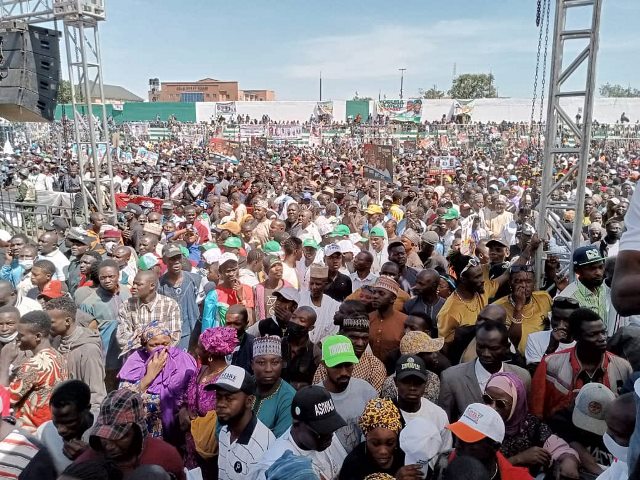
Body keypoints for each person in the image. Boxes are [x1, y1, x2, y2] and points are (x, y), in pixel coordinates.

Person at [530, 308, 631, 420]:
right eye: (593, 334)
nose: (602, 338)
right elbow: (536, 413)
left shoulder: (623, 368)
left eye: (603, 332)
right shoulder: (550, 364)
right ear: (576, 337)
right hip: (562, 435)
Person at [482, 372, 580, 478]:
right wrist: (518, 459)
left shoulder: (531, 425)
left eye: (501, 404)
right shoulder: (476, 424)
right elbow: (477, 469)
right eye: (487, 399)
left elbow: (560, 449)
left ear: (516, 404)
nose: (492, 408)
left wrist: (569, 460)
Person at [74, 389, 185, 480]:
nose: (109, 446)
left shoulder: (166, 457)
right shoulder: (88, 462)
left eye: (119, 436)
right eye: (104, 436)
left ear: (138, 431)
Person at [118, 321, 197, 443]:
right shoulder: (135, 362)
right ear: (144, 345)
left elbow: (193, 389)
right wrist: (150, 375)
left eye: (165, 344)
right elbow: (123, 399)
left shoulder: (182, 360)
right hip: (146, 430)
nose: (160, 349)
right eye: (154, 345)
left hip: (177, 428)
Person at [439, 319, 531, 422]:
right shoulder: (451, 378)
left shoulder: (522, 377)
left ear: (506, 348)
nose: (486, 353)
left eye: (493, 348)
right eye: (481, 347)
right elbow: (445, 423)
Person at [253, 385, 347, 480]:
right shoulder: (278, 468)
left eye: (331, 428)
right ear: (296, 423)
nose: (329, 436)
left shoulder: (324, 439)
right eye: (321, 431)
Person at [180, 326, 237, 474]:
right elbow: (186, 398)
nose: (196, 351)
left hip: (213, 448)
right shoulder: (200, 371)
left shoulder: (228, 378)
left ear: (210, 354)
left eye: (199, 348)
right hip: (192, 444)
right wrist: (184, 411)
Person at [210, 365, 276, 479]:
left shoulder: (264, 445)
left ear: (249, 401)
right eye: (218, 397)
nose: (220, 404)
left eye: (229, 398)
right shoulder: (224, 432)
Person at [9, 311, 68, 432]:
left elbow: (6, 400)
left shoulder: (33, 366)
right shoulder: (59, 356)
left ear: (38, 336)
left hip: (30, 432)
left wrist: (4, 364)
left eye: (21, 335)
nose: (17, 339)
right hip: (50, 427)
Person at [317, 334, 377, 453]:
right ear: (324, 364)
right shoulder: (315, 397)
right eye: (337, 366)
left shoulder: (367, 391)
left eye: (348, 365)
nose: (344, 372)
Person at [79, 259, 132, 391]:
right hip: (107, 358)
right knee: (109, 390)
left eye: (111, 276)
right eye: (103, 277)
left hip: (129, 355)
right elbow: (87, 335)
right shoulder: (90, 303)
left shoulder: (128, 293)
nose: (107, 280)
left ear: (118, 275)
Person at [45, 297, 106, 412]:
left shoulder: (88, 350)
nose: (47, 326)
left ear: (67, 321)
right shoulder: (57, 341)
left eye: (51, 322)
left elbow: (96, 394)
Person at [339, 397, 422, 480]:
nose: (383, 451)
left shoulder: (408, 457)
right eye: (375, 444)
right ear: (366, 437)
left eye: (390, 443)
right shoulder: (353, 465)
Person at [447, 403, 533, 480]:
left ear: (494, 447)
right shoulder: (442, 466)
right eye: (459, 437)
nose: (457, 445)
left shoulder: (518, 477)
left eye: (469, 441)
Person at [314, 310, 387, 392]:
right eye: (354, 337)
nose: (360, 343)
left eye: (364, 338)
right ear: (341, 335)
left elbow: (374, 401)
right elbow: (317, 394)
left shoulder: (375, 366)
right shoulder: (330, 359)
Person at [116, 270, 182, 358]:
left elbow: (174, 337)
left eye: (139, 284)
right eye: (134, 283)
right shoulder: (126, 306)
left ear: (152, 286)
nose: (134, 287)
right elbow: (122, 337)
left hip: (161, 357)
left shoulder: (170, 305)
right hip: (135, 358)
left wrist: (140, 336)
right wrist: (153, 338)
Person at [36, 380, 95, 474]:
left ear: (86, 409)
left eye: (69, 422)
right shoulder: (45, 432)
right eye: (56, 422)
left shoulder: (103, 432)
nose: (60, 430)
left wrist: (90, 457)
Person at [394, 355, 452, 450]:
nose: (412, 387)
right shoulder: (383, 413)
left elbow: (444, 453)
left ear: (426, 383)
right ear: (396, 382)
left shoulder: (438, 415)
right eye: (406, 382)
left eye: (418, 382)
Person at [493, 264, 552, 354]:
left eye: (528, 281)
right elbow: (511, 343)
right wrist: (518, 307)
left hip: (540, 357)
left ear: (534, 283)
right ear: (510, 283)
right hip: (515, 360)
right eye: (518, 281)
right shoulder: (497, 307)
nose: (524, 285)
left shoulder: (544, 297)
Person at [157, 244, 203, 350]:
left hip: (194, 333)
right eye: (172, 259)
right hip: (170, 335)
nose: (176, 261)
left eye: (178, 258)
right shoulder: (159, 285)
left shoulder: (195, 280)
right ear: (165, 261)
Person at [381, 331, 443, 404]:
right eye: (429, 353)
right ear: (415, 357)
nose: (435, 355)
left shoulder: (433, 378)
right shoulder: (391, 384)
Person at [252, 336, 296, 438]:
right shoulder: (243, 386)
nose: (268, 369)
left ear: (281, 364)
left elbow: (279, 439)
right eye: (261, 362)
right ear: (252, 365)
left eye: (275, 362)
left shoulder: (289, 397)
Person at [524, 296, 579, 369]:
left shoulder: (583, 344)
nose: (560, 325)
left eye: (566, 320)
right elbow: (534, 374)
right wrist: (551, 348)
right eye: (556, 319)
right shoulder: (534, 339)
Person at [368, 276, 408, 364]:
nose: (375, 296)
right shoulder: (367, 318)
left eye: (381, 293)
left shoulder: (405, 321)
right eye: (374, 292)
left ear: (393, 299)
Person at [596, 392, 635, 480]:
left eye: (617, 433)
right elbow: (611, 474)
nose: (607, 435)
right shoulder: (622, 460)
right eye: (608, 427)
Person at [298, 264, 341, 343]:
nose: (314, 287)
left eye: (318, 284)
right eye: (311, 283)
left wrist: (316, 349)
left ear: (326, 284)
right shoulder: (299, 299)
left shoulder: (334, 306)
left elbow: (332, 334)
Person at [281, 306, 319, 388]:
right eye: (293, 317)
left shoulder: (315, 352)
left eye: (302, 320)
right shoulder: (278, 344)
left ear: (310, 328)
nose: (295, 322)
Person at [402, 268, 444, 338]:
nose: (416, 287)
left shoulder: (446, 306)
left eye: (421, 284)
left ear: (434, 285)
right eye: (416, 282)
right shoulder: (409, 305)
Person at [225, 304, 255, 373]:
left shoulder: (253, 345)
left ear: (246, 324)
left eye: (237, 324)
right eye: (228, 323)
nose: (232, 328)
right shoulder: (217, 344)